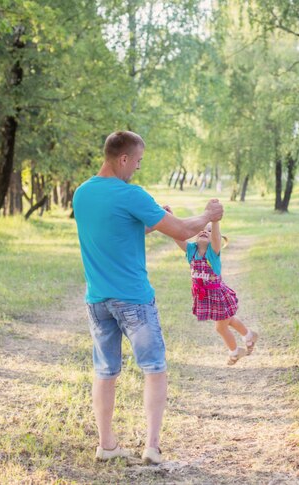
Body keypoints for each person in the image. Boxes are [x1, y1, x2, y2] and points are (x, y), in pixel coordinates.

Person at [72, 131, 224, 465]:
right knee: (154, 369)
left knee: (105, 371)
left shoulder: (81, 194)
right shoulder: (132, 194)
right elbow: (185, 231)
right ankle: (152, 448)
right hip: (133, 300)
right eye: (137, 161)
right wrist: (209, 217)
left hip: (97, 300)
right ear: (123, 159)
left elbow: (116, 230)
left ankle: (107, 445)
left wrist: (154, 222)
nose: (137, 168)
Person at [167, 216, 258, 365]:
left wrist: (215, 220)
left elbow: (215, 237)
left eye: (209, 231)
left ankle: (235, 352)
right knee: (229, 320)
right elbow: (176, 235)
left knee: (220, 328)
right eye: (201, 229)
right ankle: (249, 335)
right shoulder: (191, 251)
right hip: (205, 296)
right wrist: (169, 216)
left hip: (217, 296)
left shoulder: (213, 253)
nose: (204, 231)